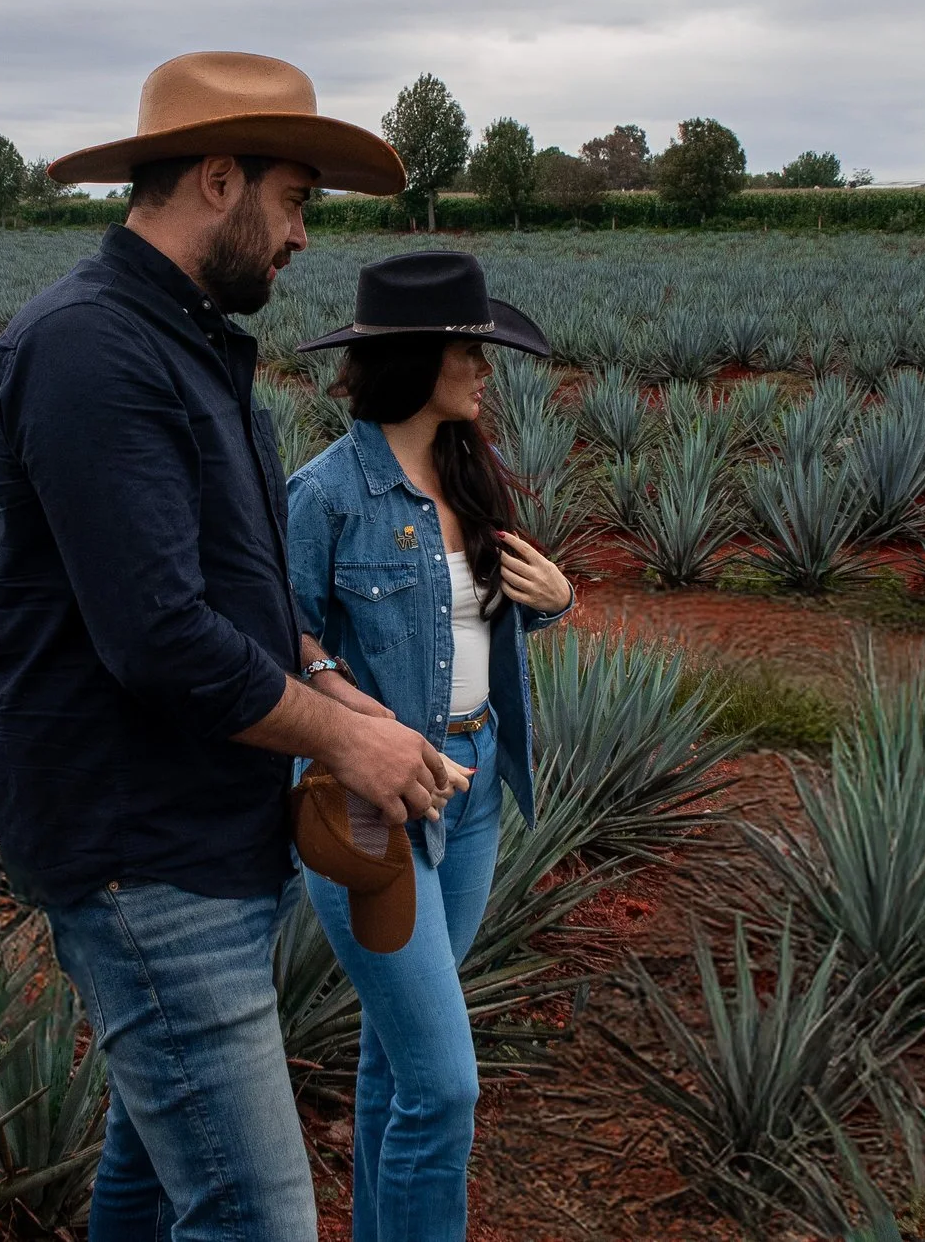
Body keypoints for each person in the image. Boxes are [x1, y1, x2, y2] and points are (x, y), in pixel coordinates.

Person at [0, 52, 463, 1242]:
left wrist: (331, 680)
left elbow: (231, 593)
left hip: (201, 829)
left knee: (146, 1176)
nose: (301, 237)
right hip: (144, 848)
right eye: (293, 199)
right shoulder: (94, 349)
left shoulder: (186, 345)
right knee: (254, 1214)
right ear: (214, 176)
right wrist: (347, 738)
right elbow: (159, 637)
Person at [285, 250, 576, 1242]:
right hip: (370, 801)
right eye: (469, 349)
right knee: (444, 1085)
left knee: (397, 1061)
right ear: (418, 360)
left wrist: (558, 601)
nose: (485, 368)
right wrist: (373, 723)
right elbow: (279, 639)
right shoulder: (324, 494)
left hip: (476, 787)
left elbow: (473, 626)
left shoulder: (468, 475)